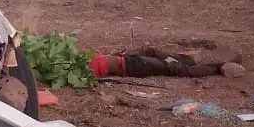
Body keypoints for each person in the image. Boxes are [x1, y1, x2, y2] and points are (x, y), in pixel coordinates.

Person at [89, 46, 243, 79]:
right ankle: (220, 66)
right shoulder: (81, 70)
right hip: (132, 66)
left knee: (151, 51)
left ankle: (188, 59)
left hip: (128, 59)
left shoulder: (80, 58)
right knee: (174, 69)